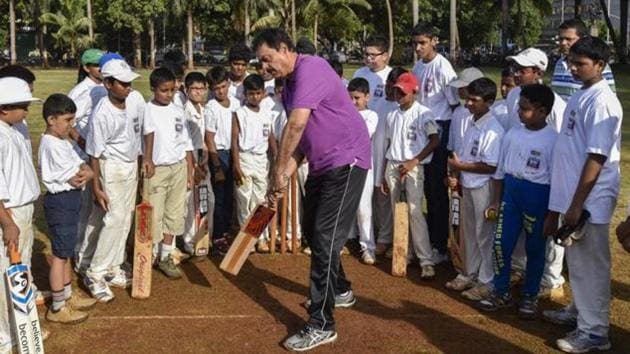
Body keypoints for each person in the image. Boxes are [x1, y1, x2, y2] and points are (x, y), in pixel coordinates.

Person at [254, 28, 371, 351]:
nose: (264, 67)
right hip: (321, 163)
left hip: (347, 159)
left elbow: (295, 126)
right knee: (312, 231)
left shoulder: (312, 68)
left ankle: (322, 323)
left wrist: (277, 170)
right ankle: (342, 289)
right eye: (260, 62)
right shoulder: (289, 87)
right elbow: (302, 145)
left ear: (283, 48)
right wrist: (281, 180)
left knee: (324, 236)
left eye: (267, 59)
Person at [543, 36, 622, 353]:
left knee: (592, 265)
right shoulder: (581, 95)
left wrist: (576, 205)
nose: (573, 68)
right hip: (574, 194)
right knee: (577, 262)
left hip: (590, 198)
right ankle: (580, 312)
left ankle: (595, 332)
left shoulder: (603, 101)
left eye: (581, 64)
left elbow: (597, 157)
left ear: (600, 65)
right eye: (571, 62)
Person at [476, 84, 558, 320]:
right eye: (519, 107)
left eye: (525, 108)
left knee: (535, 249)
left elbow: (556, 180)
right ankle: (501, 291)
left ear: (543, 111)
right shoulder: (512, 134)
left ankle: (530, 295)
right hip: (511, 195)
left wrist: (552, 214)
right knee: (501, 244)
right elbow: (500, 172)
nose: (520, 113)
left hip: (538, 196)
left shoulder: (553, 139)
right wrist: (495, 201)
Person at [83, 59, 144, 302]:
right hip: (112, 169)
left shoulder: (131, 103)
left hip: (130, 165)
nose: (128, 87)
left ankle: (113, 267)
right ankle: (95, 272)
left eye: (129, 83)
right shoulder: (102, 114)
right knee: (114, 218)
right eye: (123, 83)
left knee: (125, 216)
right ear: (108, 83)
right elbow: (94, 154)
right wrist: (96, 187)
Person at [38, 94, 98, 324]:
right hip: (61, 202)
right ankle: (57, 307)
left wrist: (87, 171)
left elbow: (83, 164)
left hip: (70, 200)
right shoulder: (50, 144)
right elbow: (78, 176)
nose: (71, 125)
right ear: (52, 119)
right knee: (60, 256)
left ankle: (67, 295)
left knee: (66, 253)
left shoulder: (63, 141)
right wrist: (85, 173)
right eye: (67, 120)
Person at [0, 77, 48, 348]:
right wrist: (7, 223)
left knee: (22, 271)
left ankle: (20, 331)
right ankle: (4, 339)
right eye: (22, 106)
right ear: (4, 108)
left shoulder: (15, 127)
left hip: (24, 210)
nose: (27, 112)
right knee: (7, 275)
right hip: (10, 213)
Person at [447, 78, 504, 301]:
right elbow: (463, 155)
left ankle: (487, 281)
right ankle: (469, 273)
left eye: (474, 100)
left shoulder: (493, 129)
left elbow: (491, 165)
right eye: (468, 98)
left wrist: (460, 167)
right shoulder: (472, 122)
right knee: (469, 233)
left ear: (489, 101)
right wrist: (457, 174)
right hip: (468, 184)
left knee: (484, 235)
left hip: (484, 186)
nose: (468, 103)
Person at [381, 72, 439, 277]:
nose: (399, 95)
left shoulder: (424, 113)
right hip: (394, 165)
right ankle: (405, 252)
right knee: (398, 213)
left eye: (403, 92)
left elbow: (434, 141)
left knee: (414, 213)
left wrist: (414, 161)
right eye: (397, 91)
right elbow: (389, 145)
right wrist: (383, 174)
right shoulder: (392, 115)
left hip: (414, 167)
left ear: (414, 91)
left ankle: (426, 260)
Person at [411, 22, 459, 263]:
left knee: (437, 189)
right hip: (422, 127)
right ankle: (428, 238)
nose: (418, 47)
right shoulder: (418, 66)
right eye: (416, 43)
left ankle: (440, 245)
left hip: (440, 127)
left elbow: (453, 103)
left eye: (423, 43)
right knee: (425, 188)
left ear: (434, 41)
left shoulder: (443, 67)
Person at [142, 67, 195, 279]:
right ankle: (148, 255)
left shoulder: (177, 109)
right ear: (153, 88)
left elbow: (186, 142)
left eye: (172, 90)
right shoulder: (146, 110)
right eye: (164, 90)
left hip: (178, 166)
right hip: (156, 169)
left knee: (174, 214)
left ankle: (165, 256)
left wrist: (190, 169)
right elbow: (142, 144)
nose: (169, 94)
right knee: (153, 214)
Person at [231, 74, 278, 252]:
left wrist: (276, 159)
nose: (255, 97)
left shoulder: (267, 113)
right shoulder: (239, 113)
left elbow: (271, 138)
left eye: (258, 93)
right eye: (251, 94)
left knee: (260, 200)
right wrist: (236, 165)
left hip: (261, 160)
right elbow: (234, 141)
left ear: (263, 93)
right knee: (244, 200)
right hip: (244, 158)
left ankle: (260, 237)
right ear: (245, 94)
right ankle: (247, 241)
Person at [204, 66, 241, 254]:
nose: (221, 91)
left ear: (228, 84)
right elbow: (209, 138)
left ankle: (225, 232)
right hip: (218, 154)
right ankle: (218, 236)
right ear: (211, 89)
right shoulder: (211, 107)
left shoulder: (235, 103)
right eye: (216, 88)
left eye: (223, 86)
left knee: (229, 197)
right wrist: (217, 166)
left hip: (233, 152)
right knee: (219, 198)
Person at [371, 67, 405, 257]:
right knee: (378, 199)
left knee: (391, 200)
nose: (389, 90)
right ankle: (381, 234)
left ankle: (389, 238)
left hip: (389, 158)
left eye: (394, 87)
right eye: (388, 85)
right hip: (373, 156)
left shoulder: (400, 108)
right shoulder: (379, 104)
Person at [181, 72, 214, 258]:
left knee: (207, 200)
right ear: (186, 90)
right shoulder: (186, 111)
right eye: (194, 89)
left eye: (201, 89)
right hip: (190, 160)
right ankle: (189, 241)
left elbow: (201, 138)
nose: (198, 92)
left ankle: (203, 236)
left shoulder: (203, 109)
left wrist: (205, 155)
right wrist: (193, 167)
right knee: (191, 202)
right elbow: (187, 143)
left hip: (201, 158)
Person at [346, 78, 378, 265]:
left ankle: (368, 247)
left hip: (362, 166)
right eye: (350, 98)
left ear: (367, 97)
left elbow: (362, 136)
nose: (353, 102)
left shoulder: (371, 115)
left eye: (357, 98)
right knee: (343, 205)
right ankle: (345, 240)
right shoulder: (344, 114)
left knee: (363, 208)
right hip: (344, 165)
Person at [550, 18, 615, 102]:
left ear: (583, 39)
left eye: (568, 39)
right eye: (561, 39)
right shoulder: (559, 63)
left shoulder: (596, 66)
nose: (563, 43)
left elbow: (609, 98)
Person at [447, 67, 484, 159]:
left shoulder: (483, 113)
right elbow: (453, 142)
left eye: (462, 88)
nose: (458, 91)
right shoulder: (457, 112)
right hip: (458, 162)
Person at [352, 35, 392, 110]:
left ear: (384, 56)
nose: (368, 58)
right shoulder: (359, 73)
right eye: (366, 54)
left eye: (373, 55)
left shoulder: (391, 75)